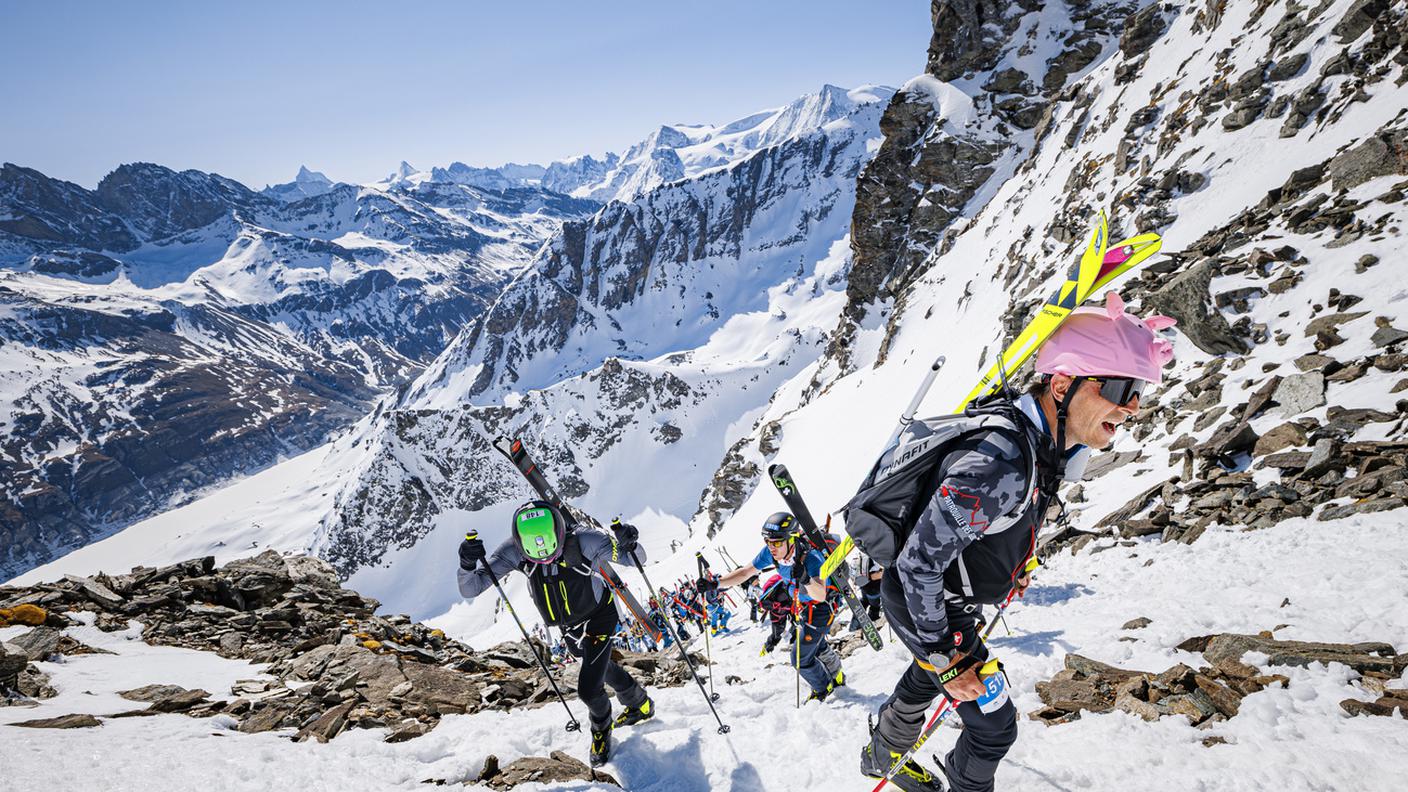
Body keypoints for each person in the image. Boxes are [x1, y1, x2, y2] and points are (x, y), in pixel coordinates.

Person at [859, 293, 1174, 791]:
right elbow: (918, 563)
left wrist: (1009, 565)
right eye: (1120, 386)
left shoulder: (1042, 445)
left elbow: (989, 525)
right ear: (1064, 383)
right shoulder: (1001, 461)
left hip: (944, 598)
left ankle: (884, 752)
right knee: (993, 727)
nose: (1132, 406)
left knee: (927, 675)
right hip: (925, 597)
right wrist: (949, 658)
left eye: (1138, 391)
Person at [458, 501, 656, 767]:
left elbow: (637, 559)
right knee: (596, 665)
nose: (542, 553)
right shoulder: (514, 550)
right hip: (569, 627)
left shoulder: (586, 540)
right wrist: (467, 562)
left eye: (549, 543)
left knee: (588, 688)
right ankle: (639, 703)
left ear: (559, 532)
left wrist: (628, 542)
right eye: (533, 548)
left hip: (599, 616)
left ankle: (601, 731)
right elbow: (471, 588)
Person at [701, 512, 844, 702]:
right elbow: (745, 573)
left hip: (821, 609)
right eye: (768, 541)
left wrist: (806, 579)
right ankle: (837, 675)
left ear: (791, 539)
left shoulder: (811, 559)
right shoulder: (772, 553)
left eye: (776, 542)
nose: (771, 546)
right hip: (802, 607)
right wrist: (716, 584)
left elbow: (820, 594)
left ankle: (823, 688)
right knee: (816, 645)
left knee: (800, 658)